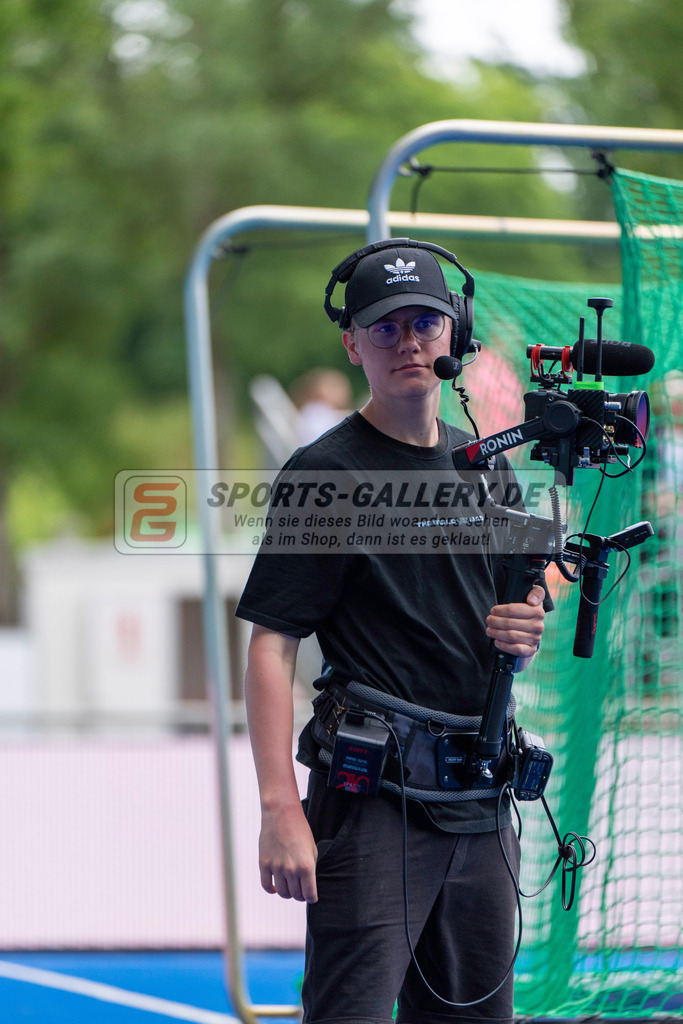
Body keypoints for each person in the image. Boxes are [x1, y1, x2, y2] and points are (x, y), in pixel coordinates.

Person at [236, 241, 547, 1024]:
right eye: (383, 328)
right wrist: (279, 809)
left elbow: (525, 595)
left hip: (481, 797)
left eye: (424, 322)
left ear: (456, 331)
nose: (408, 342)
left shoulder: (487, 465)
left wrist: (530, 616)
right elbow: (271, 647)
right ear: (351, 343)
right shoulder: (323, 473)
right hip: (373, 805)